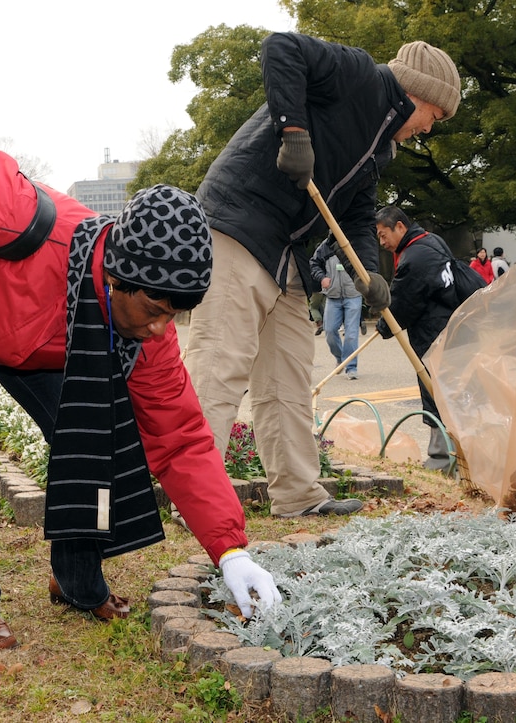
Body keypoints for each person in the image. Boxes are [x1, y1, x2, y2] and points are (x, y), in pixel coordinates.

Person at [0, 141, 281, 651]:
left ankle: (75, 581)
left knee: (98, 438)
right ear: (119, 280)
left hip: (22, 341)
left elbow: (182, 441)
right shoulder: (28, 218)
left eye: (176, 315)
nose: (163, 328)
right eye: (156, 309)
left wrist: (231, 551)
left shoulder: (148, 342)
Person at [183, 32, 462, 518]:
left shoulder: (379, 152)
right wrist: (293, 132)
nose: (428, 131)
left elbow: (357, 218)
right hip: (240, 225)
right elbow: (279, 49)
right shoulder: (357, 75)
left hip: (287, 252)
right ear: (420, 94)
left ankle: (297, 495)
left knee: (287, 379)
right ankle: (192, 497)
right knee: (219, 366)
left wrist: (370, 276)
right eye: (433, 118)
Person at [374, 206, 461, 472]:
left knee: (436, 392)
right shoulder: (431, 241)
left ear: (400, 226)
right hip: (449, 324)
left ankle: (441, 459)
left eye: (383, 234)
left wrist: (383, 326)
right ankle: (455, 456)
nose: (381, 241)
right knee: (450, 392)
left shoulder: (415, 256)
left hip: (433, 331)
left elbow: (402, 303)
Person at [309, 236, 362, 379]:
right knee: (330, 332)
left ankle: (351, 367)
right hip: (332, 296)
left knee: (351, 334)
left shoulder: (356, 244)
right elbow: (313, 264)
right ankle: (341, 359)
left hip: (353, 294)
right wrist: (321, 278)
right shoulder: (325, 247)